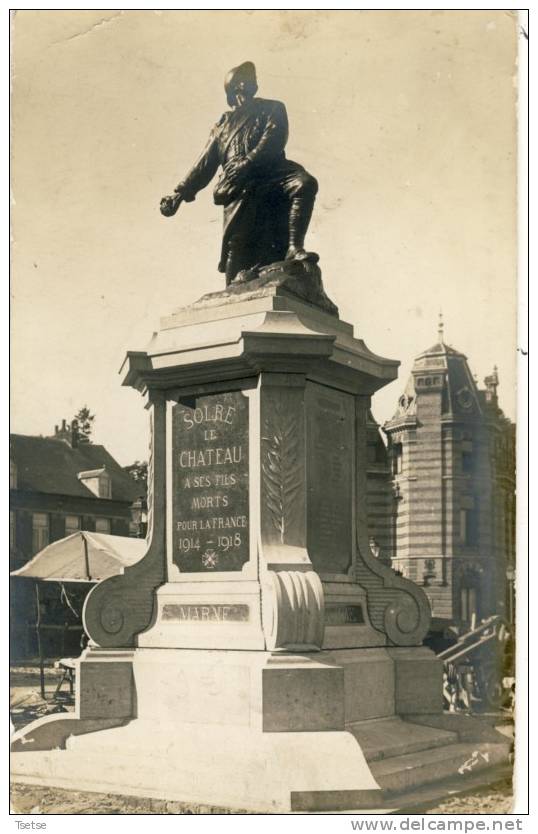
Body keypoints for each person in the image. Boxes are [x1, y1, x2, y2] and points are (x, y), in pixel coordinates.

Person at [160, 62, 319, 285]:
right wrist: (180, 193)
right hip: (239, 182)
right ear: (235, 88)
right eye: (244, 78)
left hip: (272, 171)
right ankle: (236, 284)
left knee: (304, 183)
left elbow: (274, 138)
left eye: (251, 77)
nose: (251, 81)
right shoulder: (222, 125)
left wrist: (248, 161)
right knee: (238, 249)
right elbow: (205, 162)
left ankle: (294, 247)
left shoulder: (273, 107)